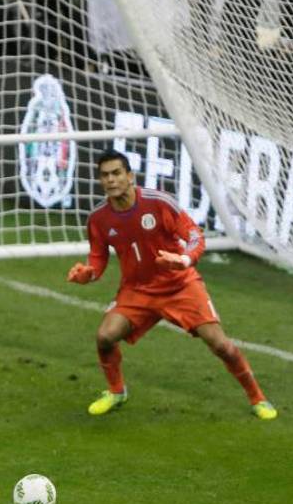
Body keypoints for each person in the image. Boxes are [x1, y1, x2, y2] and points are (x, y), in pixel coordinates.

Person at [67, 151, 278, 420]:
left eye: (116, 173)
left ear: (130, 176)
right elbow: (97, 258)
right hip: (137, 291)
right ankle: (116, 391)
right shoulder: (98, 219)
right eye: (105, 175)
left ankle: (257, 398)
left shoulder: (159, 203)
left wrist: (184, 259)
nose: (111, 180)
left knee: (220, 344)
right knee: (105, 336)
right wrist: (88, 274)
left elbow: (194, 236)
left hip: (179, 286)